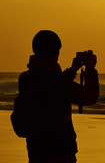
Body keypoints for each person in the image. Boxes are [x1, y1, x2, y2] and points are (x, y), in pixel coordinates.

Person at [11, 30, 99, 163]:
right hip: (60, 152)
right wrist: (91, 69)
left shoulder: (26, 78)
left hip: (36, 152)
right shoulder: (57, 80)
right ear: (56, 53)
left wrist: (72, 70)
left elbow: (51, 88)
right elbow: (89, 96)